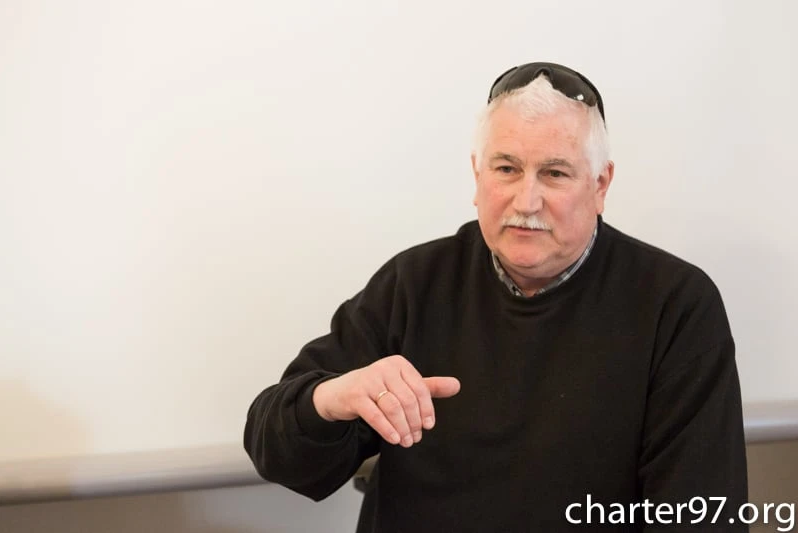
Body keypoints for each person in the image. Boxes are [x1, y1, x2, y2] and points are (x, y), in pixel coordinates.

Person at [244, 62, 748, 532]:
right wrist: (330, 400)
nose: (526, 201)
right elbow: (274, 450)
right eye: (507, 168)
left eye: (555, 173)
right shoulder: (415, 283)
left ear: (600, 185)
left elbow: (701, 514)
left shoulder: (675, 306)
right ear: (477, 176)